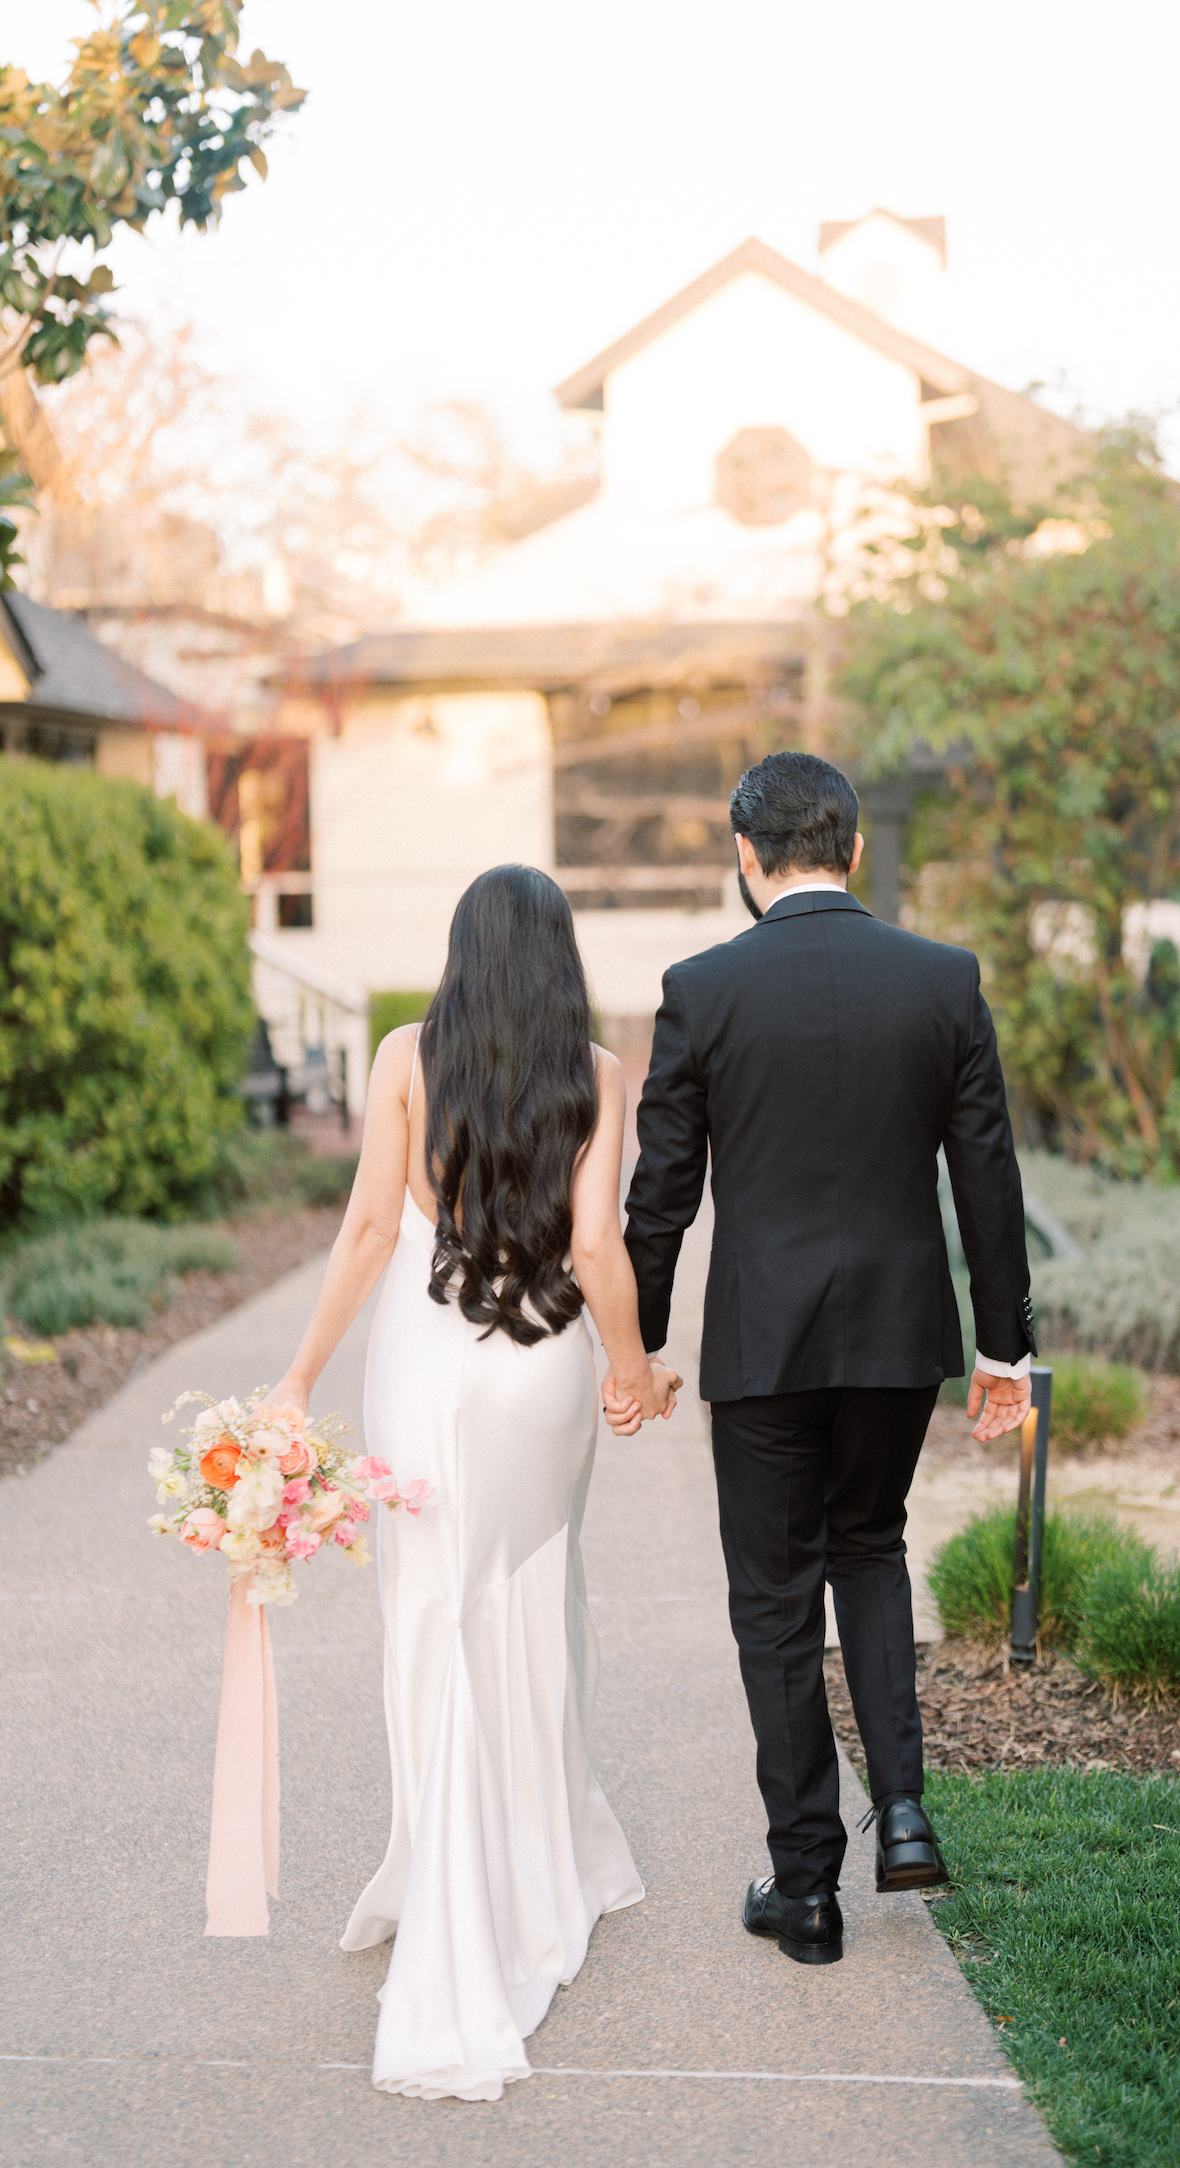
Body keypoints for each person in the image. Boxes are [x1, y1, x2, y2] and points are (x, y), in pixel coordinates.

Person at [264, 864, 680, 2101]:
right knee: (533, 1601)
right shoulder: (599, 1075)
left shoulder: (405, 1055)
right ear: (558, 958)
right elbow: (597, 1245)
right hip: (539, 1372)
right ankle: (533, 1863)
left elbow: (370, 1234)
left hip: (424, 1365)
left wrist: (297, 1375)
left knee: (430, 1617)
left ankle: (442, 1878)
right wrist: (633, 1371)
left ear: (461, 951)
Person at [618, 751, 1032, 1968]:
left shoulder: (703, 987)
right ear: (850, 849)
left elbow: (661, 1197)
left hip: (762, 1343)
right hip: (900, 1337)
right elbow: (988, 1178)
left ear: (748, 856)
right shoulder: (942, 980)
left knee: (773, 1604)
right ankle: (902, 1810)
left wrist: (638, 1343)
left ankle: (805, 1888)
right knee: (871, 1543)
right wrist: (1005, 1346)